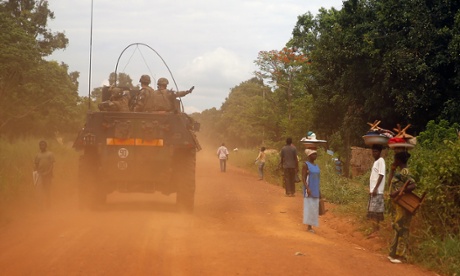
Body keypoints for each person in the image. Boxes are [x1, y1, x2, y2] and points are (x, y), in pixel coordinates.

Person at [388, 152, 416, 264]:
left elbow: (413, 185)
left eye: (395, 159)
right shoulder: (399, 172)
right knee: (398, 227)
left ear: (399, 160)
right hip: (397, 205)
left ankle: (398, 254)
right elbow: (390, 183)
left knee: (400, 228)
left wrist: (399, 191)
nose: (394, 161)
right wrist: (392, 169)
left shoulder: (405, 172)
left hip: (402, 205)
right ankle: (395, 254)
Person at [367, 144, 386, 234]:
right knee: (373, 212)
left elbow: (381, 175)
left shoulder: (381, 161)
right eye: (373, 151)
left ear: (380, 152)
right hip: (374, 191)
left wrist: (375, 188)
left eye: (376, 151)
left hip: (377, 191)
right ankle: (374, 230)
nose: (374, 153)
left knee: (376, 213)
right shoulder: (376, 162)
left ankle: (376, 231)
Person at [302, 149, 321, 233]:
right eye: (313, 154)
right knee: (309, 207)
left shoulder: (316, 166)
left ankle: (311, 225)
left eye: (316, 154)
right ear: (309, 156)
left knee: (314, 208)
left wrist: (319, 191)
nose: (315, 156)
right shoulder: (306, 165)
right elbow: (303, 178)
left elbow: (318, 179)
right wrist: (307, 188)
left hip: (316, 188)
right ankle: (309, 227)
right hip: (309, 189)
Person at [34, 141, 55, 207]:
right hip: (40, 175)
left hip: (48, 175)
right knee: (40, 191)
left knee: (47, 190)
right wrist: (37, 173)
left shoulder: (50, 154)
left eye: (43, 145)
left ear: (46, 146)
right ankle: (40, 205)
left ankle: (48, 205)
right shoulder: (37, 155)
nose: (42, 146)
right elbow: (36, 165)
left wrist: (48, 172)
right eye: (40, 145)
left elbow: (52, 165)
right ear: (39, 146)